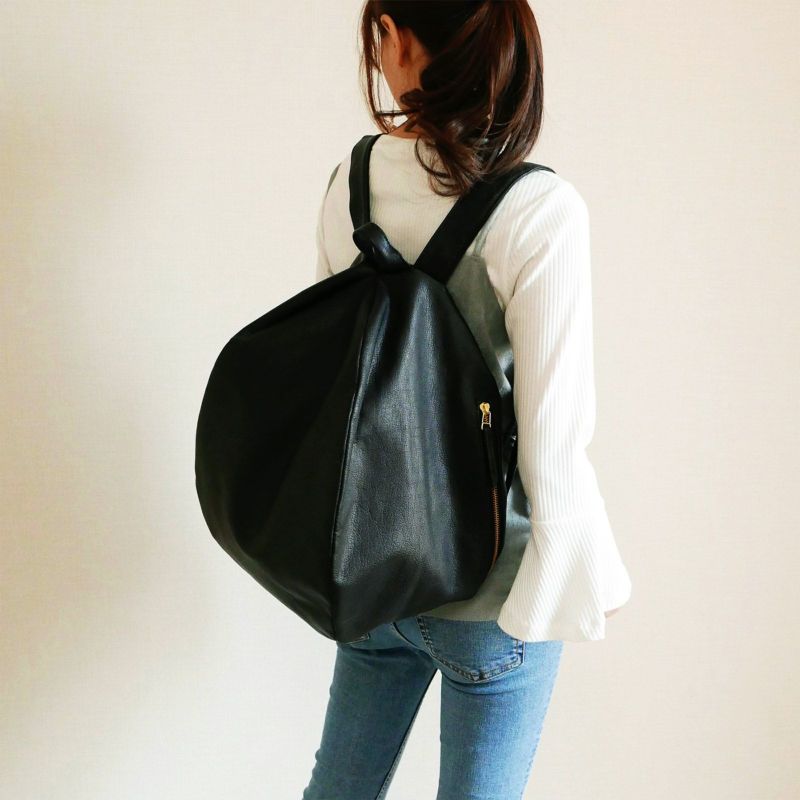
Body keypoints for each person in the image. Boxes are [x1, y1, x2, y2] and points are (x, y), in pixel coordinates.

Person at [303, 2, 632, 798]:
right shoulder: (539, 210)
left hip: (374, 572)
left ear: (396, 37)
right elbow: (554, 439)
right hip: (493, 590)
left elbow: (335, 388)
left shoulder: (352, 181)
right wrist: (575, 588)